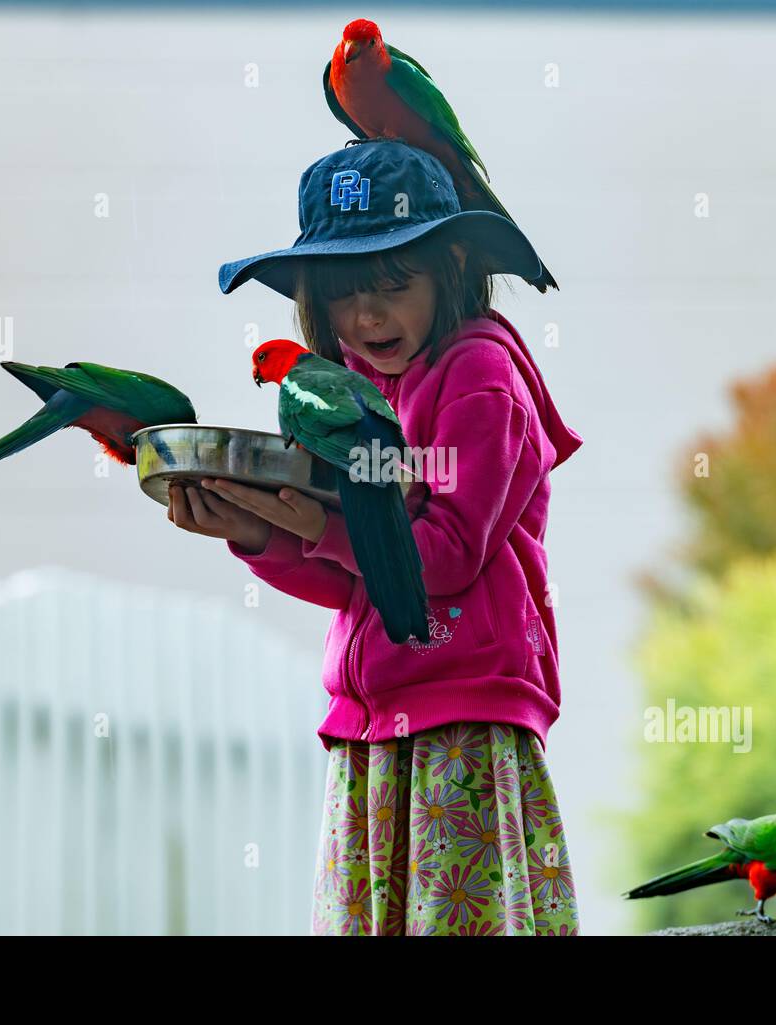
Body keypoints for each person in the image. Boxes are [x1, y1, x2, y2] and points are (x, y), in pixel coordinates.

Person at [168, 139, 584, 935]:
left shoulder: (480, 378)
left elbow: (449, 555)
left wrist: (324, 526)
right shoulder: (354, 392)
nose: (368, 315)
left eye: (395, 286)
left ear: (453, 267)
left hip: (462, 727)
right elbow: (357, 581)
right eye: (346, 295)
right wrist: (259, 532)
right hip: (368, 733)